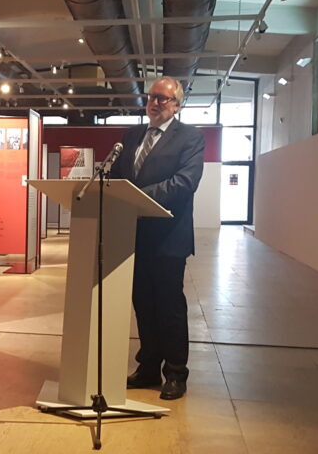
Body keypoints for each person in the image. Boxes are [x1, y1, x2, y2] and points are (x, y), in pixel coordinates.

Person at [110, 77, 205, 401]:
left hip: (168, 239)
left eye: (163, 99)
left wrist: (135, 197)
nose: (154, 103)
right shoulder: (132, 135)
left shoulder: (190, 137)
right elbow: (116, 178)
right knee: (144, 306)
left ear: (177, 105)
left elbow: (184, 183)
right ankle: (148, 366)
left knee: (169, 307)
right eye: (151, 97)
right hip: (131, 236)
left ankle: (176, 373)